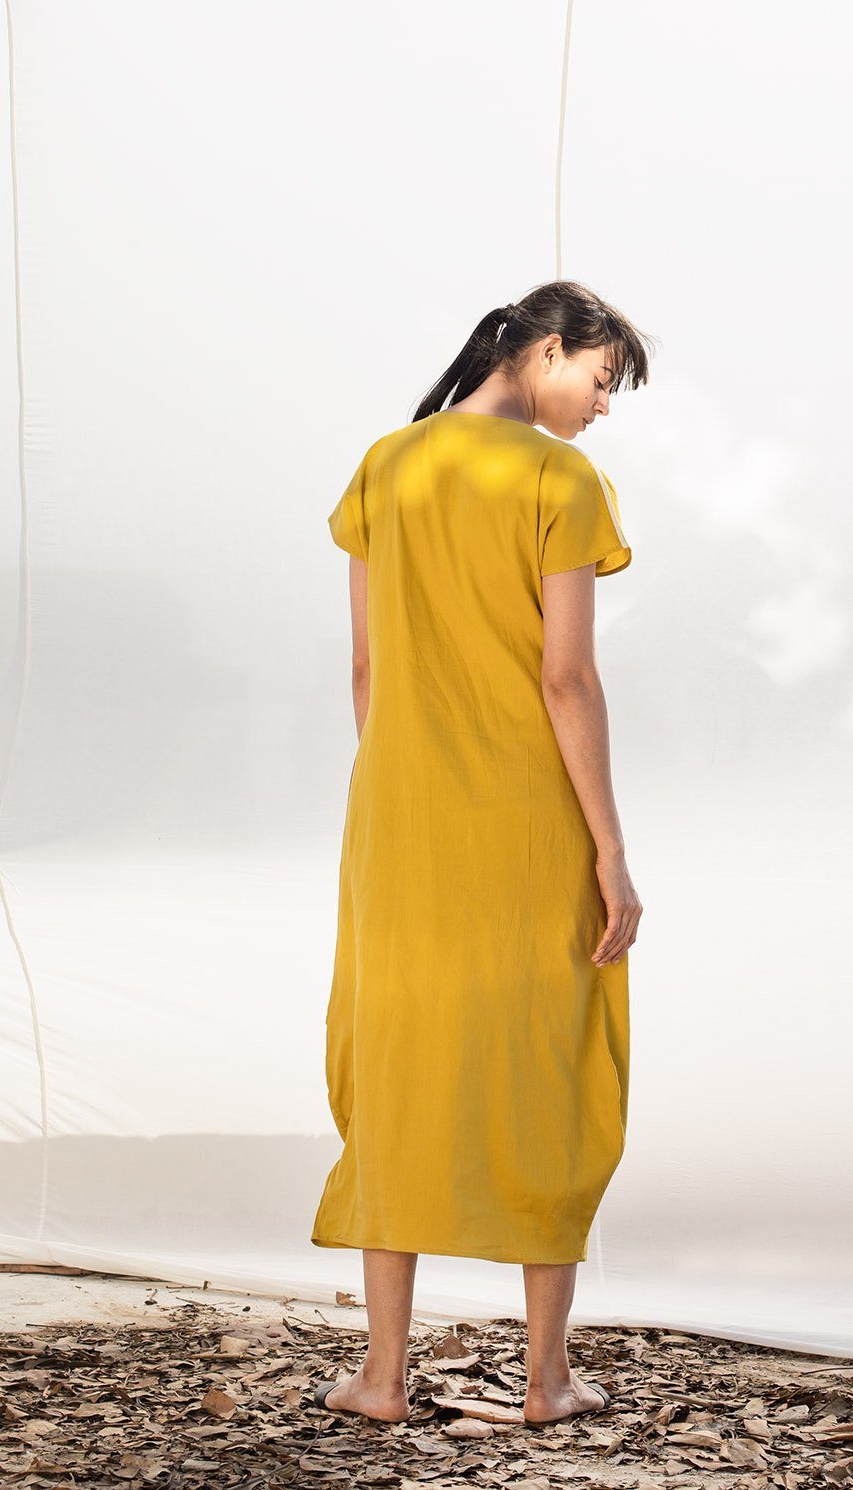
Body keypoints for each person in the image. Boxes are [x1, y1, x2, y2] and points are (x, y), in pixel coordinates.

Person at [310, 280, 652, 1427]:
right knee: (548, 1061)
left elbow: (367, 669)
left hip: (397, 821)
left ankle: (381, 1376)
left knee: (401, 1061)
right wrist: (610, 848)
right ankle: (547, 1378)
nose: (602, 406)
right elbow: (568, 678)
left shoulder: (385, 465)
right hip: (525, 821)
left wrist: (406, 780)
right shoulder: (558, 480)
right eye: (600, 378)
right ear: (548, 350)